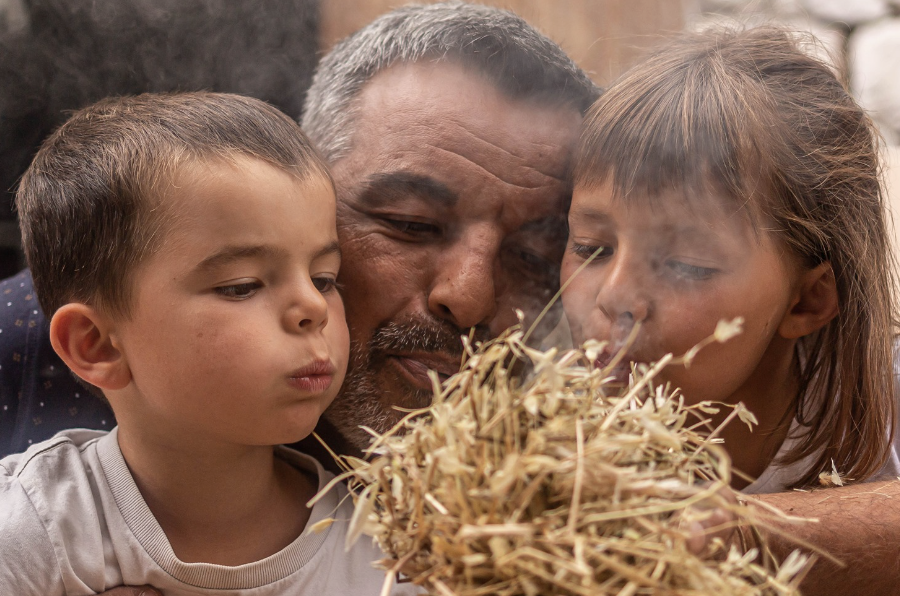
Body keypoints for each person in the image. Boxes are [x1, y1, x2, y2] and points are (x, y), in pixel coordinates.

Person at [2, 4, 898, 595]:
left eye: (539, 251)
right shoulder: (44, 345)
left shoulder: (563, 423)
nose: (470, 297)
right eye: (408, 224)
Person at [0, 92, 413, 595]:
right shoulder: (34, 530)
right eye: (242, 286)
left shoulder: (385, 546)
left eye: (325, 278)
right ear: (98, 346)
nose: (314, 308)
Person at [561, 26, 900, 593]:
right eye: (591, 248)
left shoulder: (885, 400)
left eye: (685, 265)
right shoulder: (544, 431)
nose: (614, 296)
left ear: (809, 298)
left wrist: (744, 534)